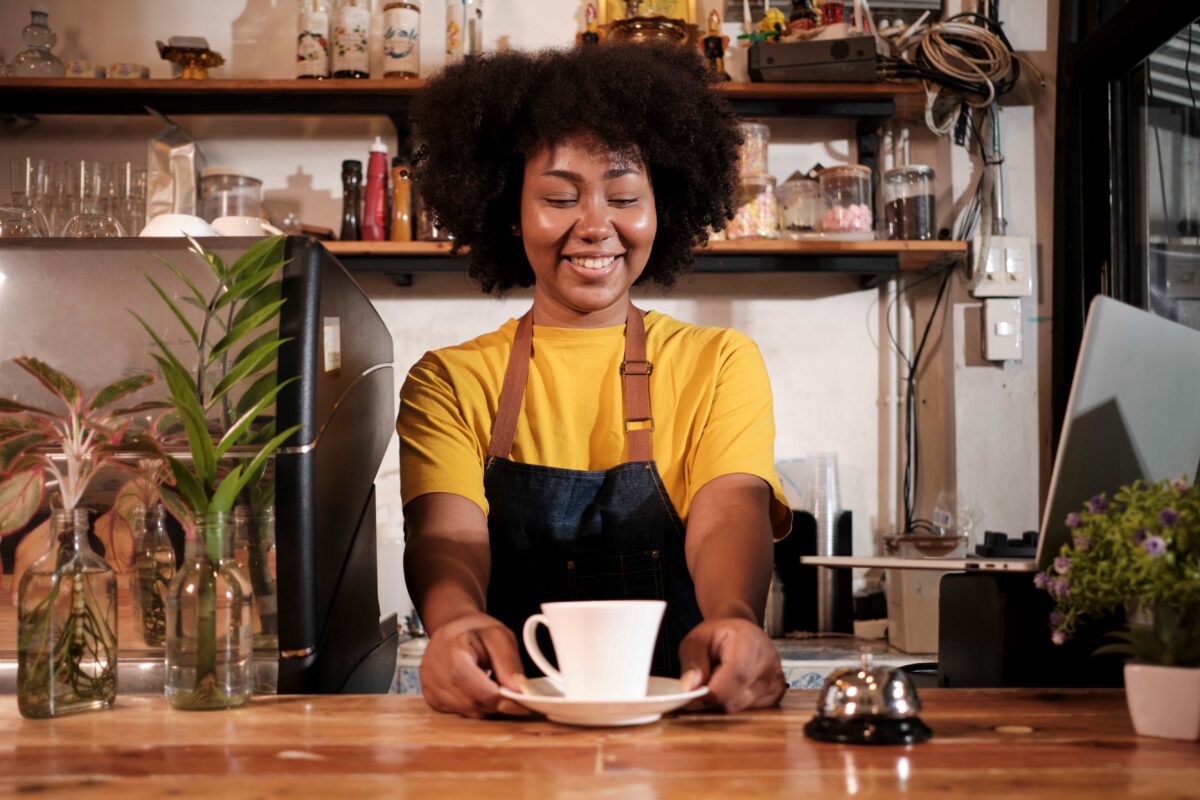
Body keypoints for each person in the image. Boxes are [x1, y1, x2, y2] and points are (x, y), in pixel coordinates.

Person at [397, 42, 793, 719]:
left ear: (661, 206)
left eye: (623, 195)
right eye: (558, 197)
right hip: (506, 723)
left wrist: (734, 618)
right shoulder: (452, 379)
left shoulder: (718, 361)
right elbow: (449, 536)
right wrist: (455, 621)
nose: (595, 226)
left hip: (686, 724)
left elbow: (729, 509)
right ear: (508, 211)